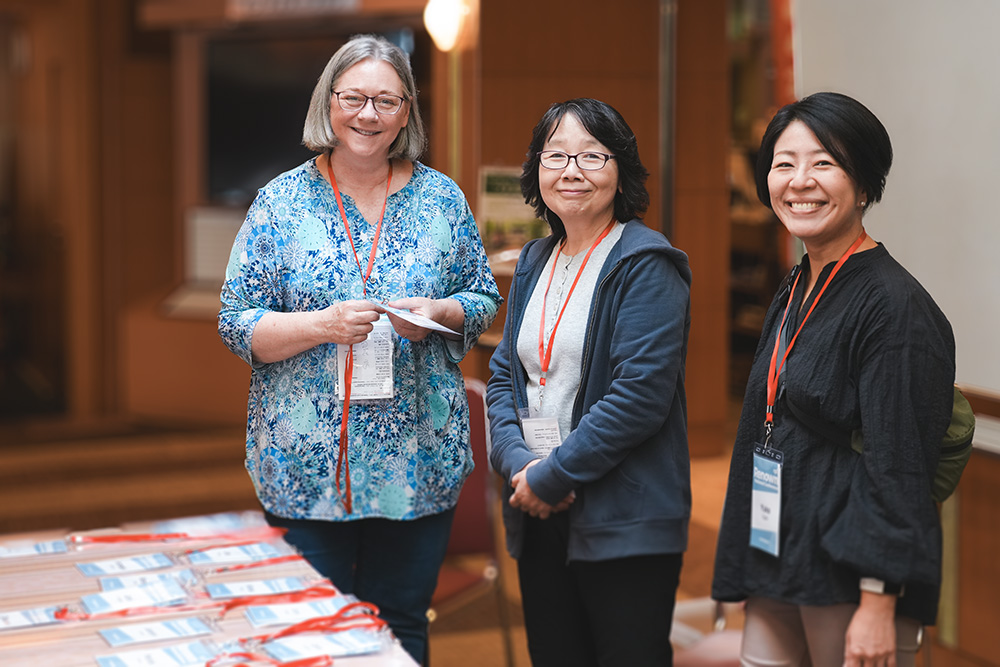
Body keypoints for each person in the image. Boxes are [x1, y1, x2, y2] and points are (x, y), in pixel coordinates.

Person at [218, 34, 501, 664]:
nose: (367, 114)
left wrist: (442, 313)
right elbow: (237, 323)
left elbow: (482, 299)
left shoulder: (442, 200)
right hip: (304, 467)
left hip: (416, 465)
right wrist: (318, 325)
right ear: (329, 102)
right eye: (353, 97)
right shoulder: (281, 203)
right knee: (311, 635)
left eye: (385, 100)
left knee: (401, 625)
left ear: (407, 111)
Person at [711, 92, 955, 667]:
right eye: (784, 163)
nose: (800, 181)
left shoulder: (894, 306)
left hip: (851, 569)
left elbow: (898, 461)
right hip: (780, 552)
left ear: (865, 185)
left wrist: (879, 599)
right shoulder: (798, 283)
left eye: (824, 163)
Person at [486, 98, 692, 666]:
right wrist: (519, 464)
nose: (571, 170)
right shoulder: (535, 258)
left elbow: (639, 398)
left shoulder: (647, 263)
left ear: (620, 168)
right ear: (536, 171)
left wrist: (553, 474)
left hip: (622, 515)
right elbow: (505, 372)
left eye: (592, 156)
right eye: (555, 156)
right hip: (540, 503)